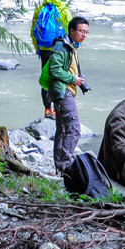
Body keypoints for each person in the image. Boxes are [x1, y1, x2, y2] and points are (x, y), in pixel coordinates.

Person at [42, 16, 90, 176]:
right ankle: (66, 166)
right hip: (63, 91)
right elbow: (54, 70)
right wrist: (73, 79)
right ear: (72, 31)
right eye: (81, 31)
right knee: (74, 129)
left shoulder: (71, 46)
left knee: (63, 130)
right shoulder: (61, 46)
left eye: (86, 32)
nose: (84, 35)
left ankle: (61, 168)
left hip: (65, 91)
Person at [31, 0, 71, 118]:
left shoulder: (40, 9)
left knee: (46, 77)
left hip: (44, 48)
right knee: (59, 77)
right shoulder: (63, 9)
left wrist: (37, 47)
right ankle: (57, 108)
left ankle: (47, 109)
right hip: (60, 49)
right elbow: (70, 29)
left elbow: (33, 30)